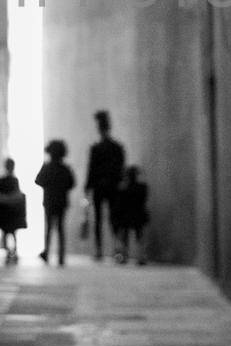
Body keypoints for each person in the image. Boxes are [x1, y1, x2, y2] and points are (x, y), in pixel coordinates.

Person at [83, 109, 125, 261]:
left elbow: (91, 170)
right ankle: (117, 249)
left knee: (101, 219)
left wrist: (87, 188)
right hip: (111, 187)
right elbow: (120, 169)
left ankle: (101, 250)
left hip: (100, 188)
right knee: (114, 218)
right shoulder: (117, 148)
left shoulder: (97, 149)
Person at [34, 140, 76, 266]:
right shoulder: (65, 168)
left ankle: (47, 252)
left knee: (49, 228)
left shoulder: (47, 167)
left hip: (49, 201)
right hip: (61, 201)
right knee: (60, 228)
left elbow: (38, 180)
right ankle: (61, 256)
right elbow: (71, 183)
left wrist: (49, 185)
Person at [0, 157, 27, 263]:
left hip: (6, 211)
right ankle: (13, 252)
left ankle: (10, 252)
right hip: (10, 211)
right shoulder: (12, 181)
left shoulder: (4, 181)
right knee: (11, 232)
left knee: (7, 232)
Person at [113, 164, 150, 265]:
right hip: (139, 215)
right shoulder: (142, 187)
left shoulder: (123, 189)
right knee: (140, 236)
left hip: (126, 216)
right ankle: (141, 256)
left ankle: (123, 255)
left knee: (124, 236)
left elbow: (119, 205)